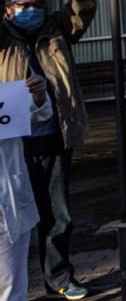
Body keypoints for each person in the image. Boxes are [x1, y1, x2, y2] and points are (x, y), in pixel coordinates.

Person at [0, 0, 95, 300]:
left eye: (38, 5)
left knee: (58, 215)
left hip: (55, 134)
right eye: (24, 5)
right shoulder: (3, 37)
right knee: (16, 219)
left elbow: (83, 11)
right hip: (14, 142)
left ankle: (58, 278)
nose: (32, 11)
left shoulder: (55, 30)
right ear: (8, 8)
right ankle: (13, 280)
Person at [0, 74, 50, 301]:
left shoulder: (6, 94)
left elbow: (40, 112)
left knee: (13, 286)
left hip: (10, 203)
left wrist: (38, 95)